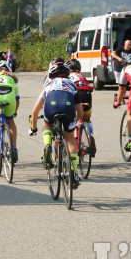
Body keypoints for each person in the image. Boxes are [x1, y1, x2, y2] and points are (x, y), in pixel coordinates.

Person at [30, 58, 84, 187]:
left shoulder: (48, 85)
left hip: (51, 107)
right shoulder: (72, 85)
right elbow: (80, 113)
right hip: (68, 108)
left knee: (47, 124)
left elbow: (35, 111)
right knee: (70, 139)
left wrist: (33, 128)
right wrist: (72, 123)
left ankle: (47, 145)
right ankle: (74, 172)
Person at [66, 58, 96, 155]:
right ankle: (90, 137)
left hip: (73, 94)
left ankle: (73, 138)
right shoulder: (82, 76)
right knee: (86, 119)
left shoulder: (66, 76)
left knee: (70, 119)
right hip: (86, 94)